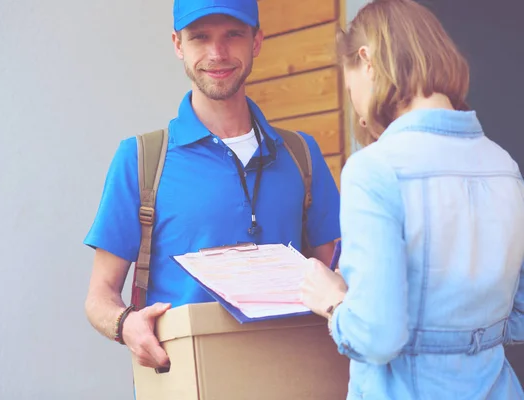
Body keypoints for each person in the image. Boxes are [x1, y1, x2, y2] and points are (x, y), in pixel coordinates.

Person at [84, 0, 341, 370]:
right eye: (200, 37)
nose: (216, 54)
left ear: (256, 41)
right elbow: (99, 296)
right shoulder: (140, 159)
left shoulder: (301, 154)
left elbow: (333, 274)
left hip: (294, 375)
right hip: (188, 378)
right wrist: (126, 324)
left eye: (232, 35)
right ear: (178, 44)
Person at [300, 0, 524, 398]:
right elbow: (518, 315)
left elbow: (377, 337)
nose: (358, 111)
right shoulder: (505, 167)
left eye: (350, 87)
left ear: (366, 61)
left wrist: (333, 300)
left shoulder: (374, 170)